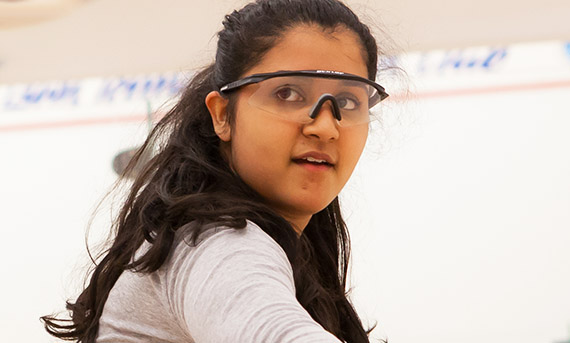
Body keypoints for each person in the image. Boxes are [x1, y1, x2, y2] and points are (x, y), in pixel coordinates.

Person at [42, 0, 391, 342]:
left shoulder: (272, 244)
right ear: (222, 114)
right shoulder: (216, 243)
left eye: (347, 101)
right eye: (288, 93)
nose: (326, 127)